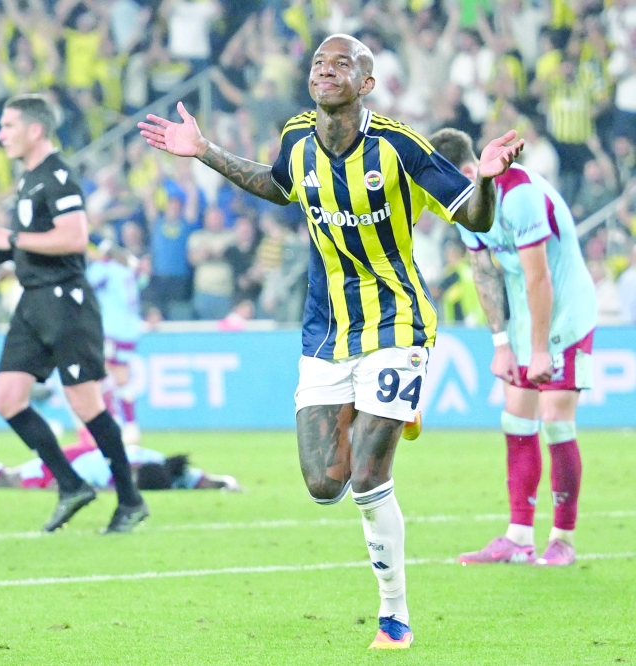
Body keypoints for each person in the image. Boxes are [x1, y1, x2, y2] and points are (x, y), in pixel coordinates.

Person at [139, 34, 523, 650]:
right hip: (326, 330)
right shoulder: (296, 136)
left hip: (397, 322)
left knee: (370, 480)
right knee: (324, 486)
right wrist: (204, 151)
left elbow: (473, 218)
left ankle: (394, 616)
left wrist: (487, 180)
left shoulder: (401, 147)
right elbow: (276, 184)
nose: (326, 70)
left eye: (342, 63)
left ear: (365, 83)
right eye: (319, 62)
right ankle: (389, 409)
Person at [0, 94, 148, 534]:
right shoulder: (29, 180)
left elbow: (73, 238)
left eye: (8, 126)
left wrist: (9, 238)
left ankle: (130, 499)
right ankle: (71, 485)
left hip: (66, 303)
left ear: (35, 130)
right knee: (7, 398)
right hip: (33, 301)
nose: (1, 134)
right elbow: (33, 243)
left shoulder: (58, 175)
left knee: (86, 403)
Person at [429, 127, 596, 568]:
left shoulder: (518, 194)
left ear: (468, 171)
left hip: (566, 308)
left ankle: (562, 538)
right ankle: (519, 538)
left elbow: (539, 275)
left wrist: (540, 350)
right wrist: (502, 343)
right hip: (526, 311)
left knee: (555, 417)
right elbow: (484, 271)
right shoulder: (467, 204)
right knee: (516, 417)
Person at [0, 438, 241, 493]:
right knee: (14, 479)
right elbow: (66, 483)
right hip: (75, 458)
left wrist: (227, 483)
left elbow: (202, 479)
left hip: (99, 447)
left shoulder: (166, 470)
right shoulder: (103, 470)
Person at [86, 241, 144, 445]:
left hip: (112, 330)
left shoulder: (106, 269)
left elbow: (86, 283)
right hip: (131, 331)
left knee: (101, 375)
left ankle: (114, 422)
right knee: (122, 377)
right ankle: (131, 425)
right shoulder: (128, 271)